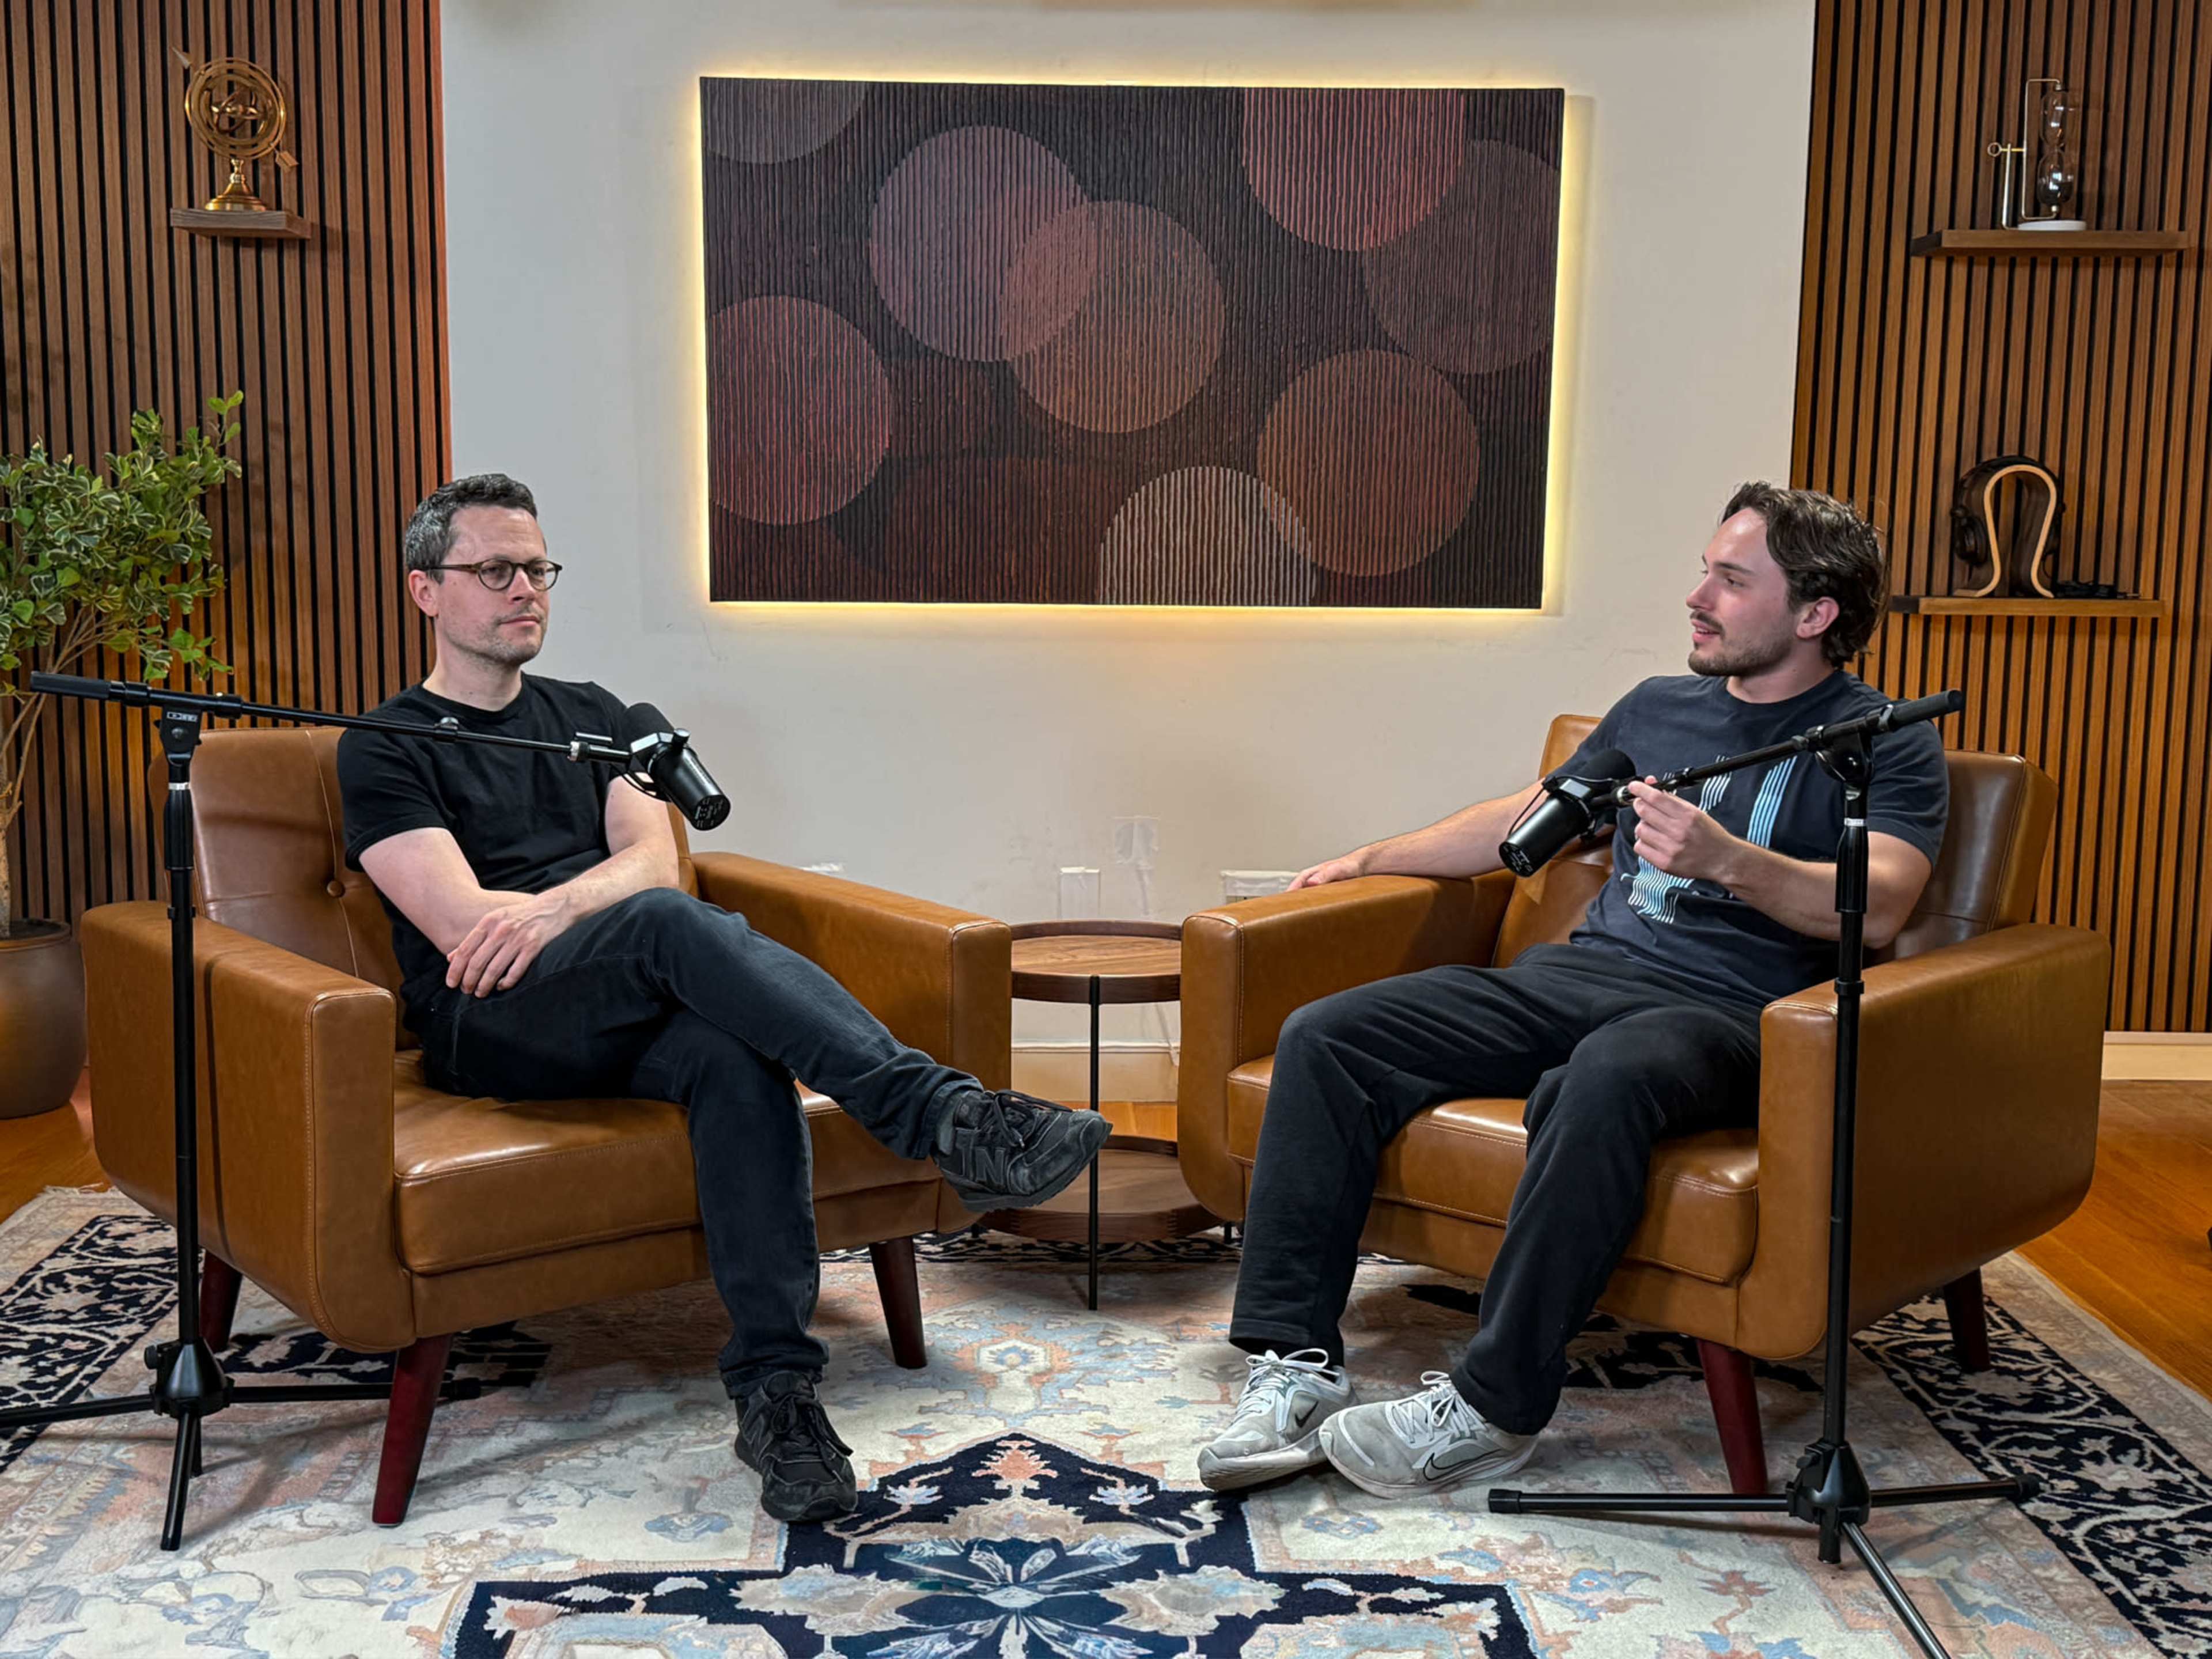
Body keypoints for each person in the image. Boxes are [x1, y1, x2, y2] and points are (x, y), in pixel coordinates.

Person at [336, 474, 1110, 1525]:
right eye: (495, 571)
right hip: (495, 1024)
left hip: (625, 1002)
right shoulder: (387, 746)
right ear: (428, 591)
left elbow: (658, 864)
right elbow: (474, 933)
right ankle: (946, 1117)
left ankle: (777, 1392)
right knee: (665, 930)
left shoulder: (600, 719)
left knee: (733, 1058)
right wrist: (592, 904)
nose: (526, 590)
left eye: (538, 569)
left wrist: (558, 905)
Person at [1196, 483, 1948, 1499]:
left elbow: (1888, 899)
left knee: (1609, 1073)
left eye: (1732, 581)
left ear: (1816, 615)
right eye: (1705, 570)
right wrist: (1372, 854)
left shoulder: (1883, 737)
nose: (1698, 596)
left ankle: (1491, 1409)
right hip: (1580, 979)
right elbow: (1528, 815)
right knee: (1329, 1034)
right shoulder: (1656, 708)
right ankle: (1292, 1363)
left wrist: (1733, 862)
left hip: (1733, 1014)